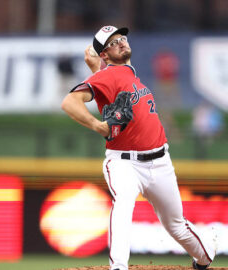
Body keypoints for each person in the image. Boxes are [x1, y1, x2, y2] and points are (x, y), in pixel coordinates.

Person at [61, 25, 216, 270]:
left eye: (122, 38)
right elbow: (70, 102)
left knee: (176, 225)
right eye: (113, 42)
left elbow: (108, 79)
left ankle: (204, 259)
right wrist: (99, 126)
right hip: (124, 163)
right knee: (123, 204)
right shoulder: (107, 76)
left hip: (160, 162)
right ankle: (119, 267)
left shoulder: (125, 74)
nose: (121, 42)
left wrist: (95, 66)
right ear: (105, 54)